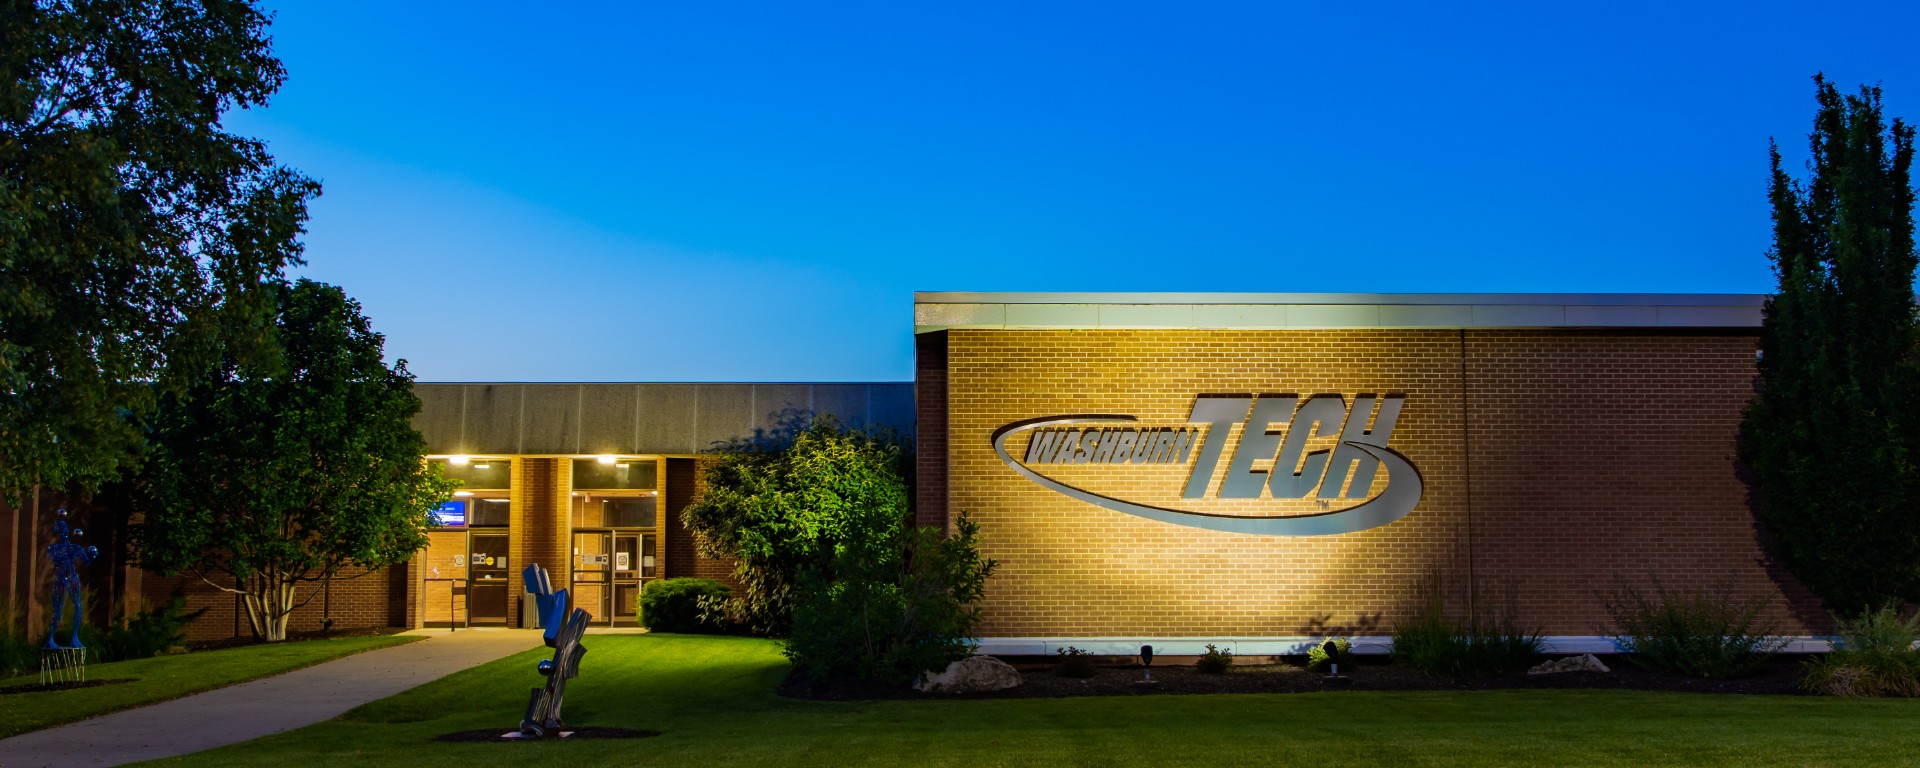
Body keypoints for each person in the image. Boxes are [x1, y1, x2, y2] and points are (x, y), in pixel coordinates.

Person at [45, 509, 98, 649]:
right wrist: (67, 554)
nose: (64, 532)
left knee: (78, 606)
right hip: (61, 580)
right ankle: (50, 639)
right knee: (57, 609)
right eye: (61, 530)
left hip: (73, 579)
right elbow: (55, 558)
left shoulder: (75, 547)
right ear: (57, 531)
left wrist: (92, 554)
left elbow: (87, 561)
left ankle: (74, 637)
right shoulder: (54, 548)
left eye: (65, 529)